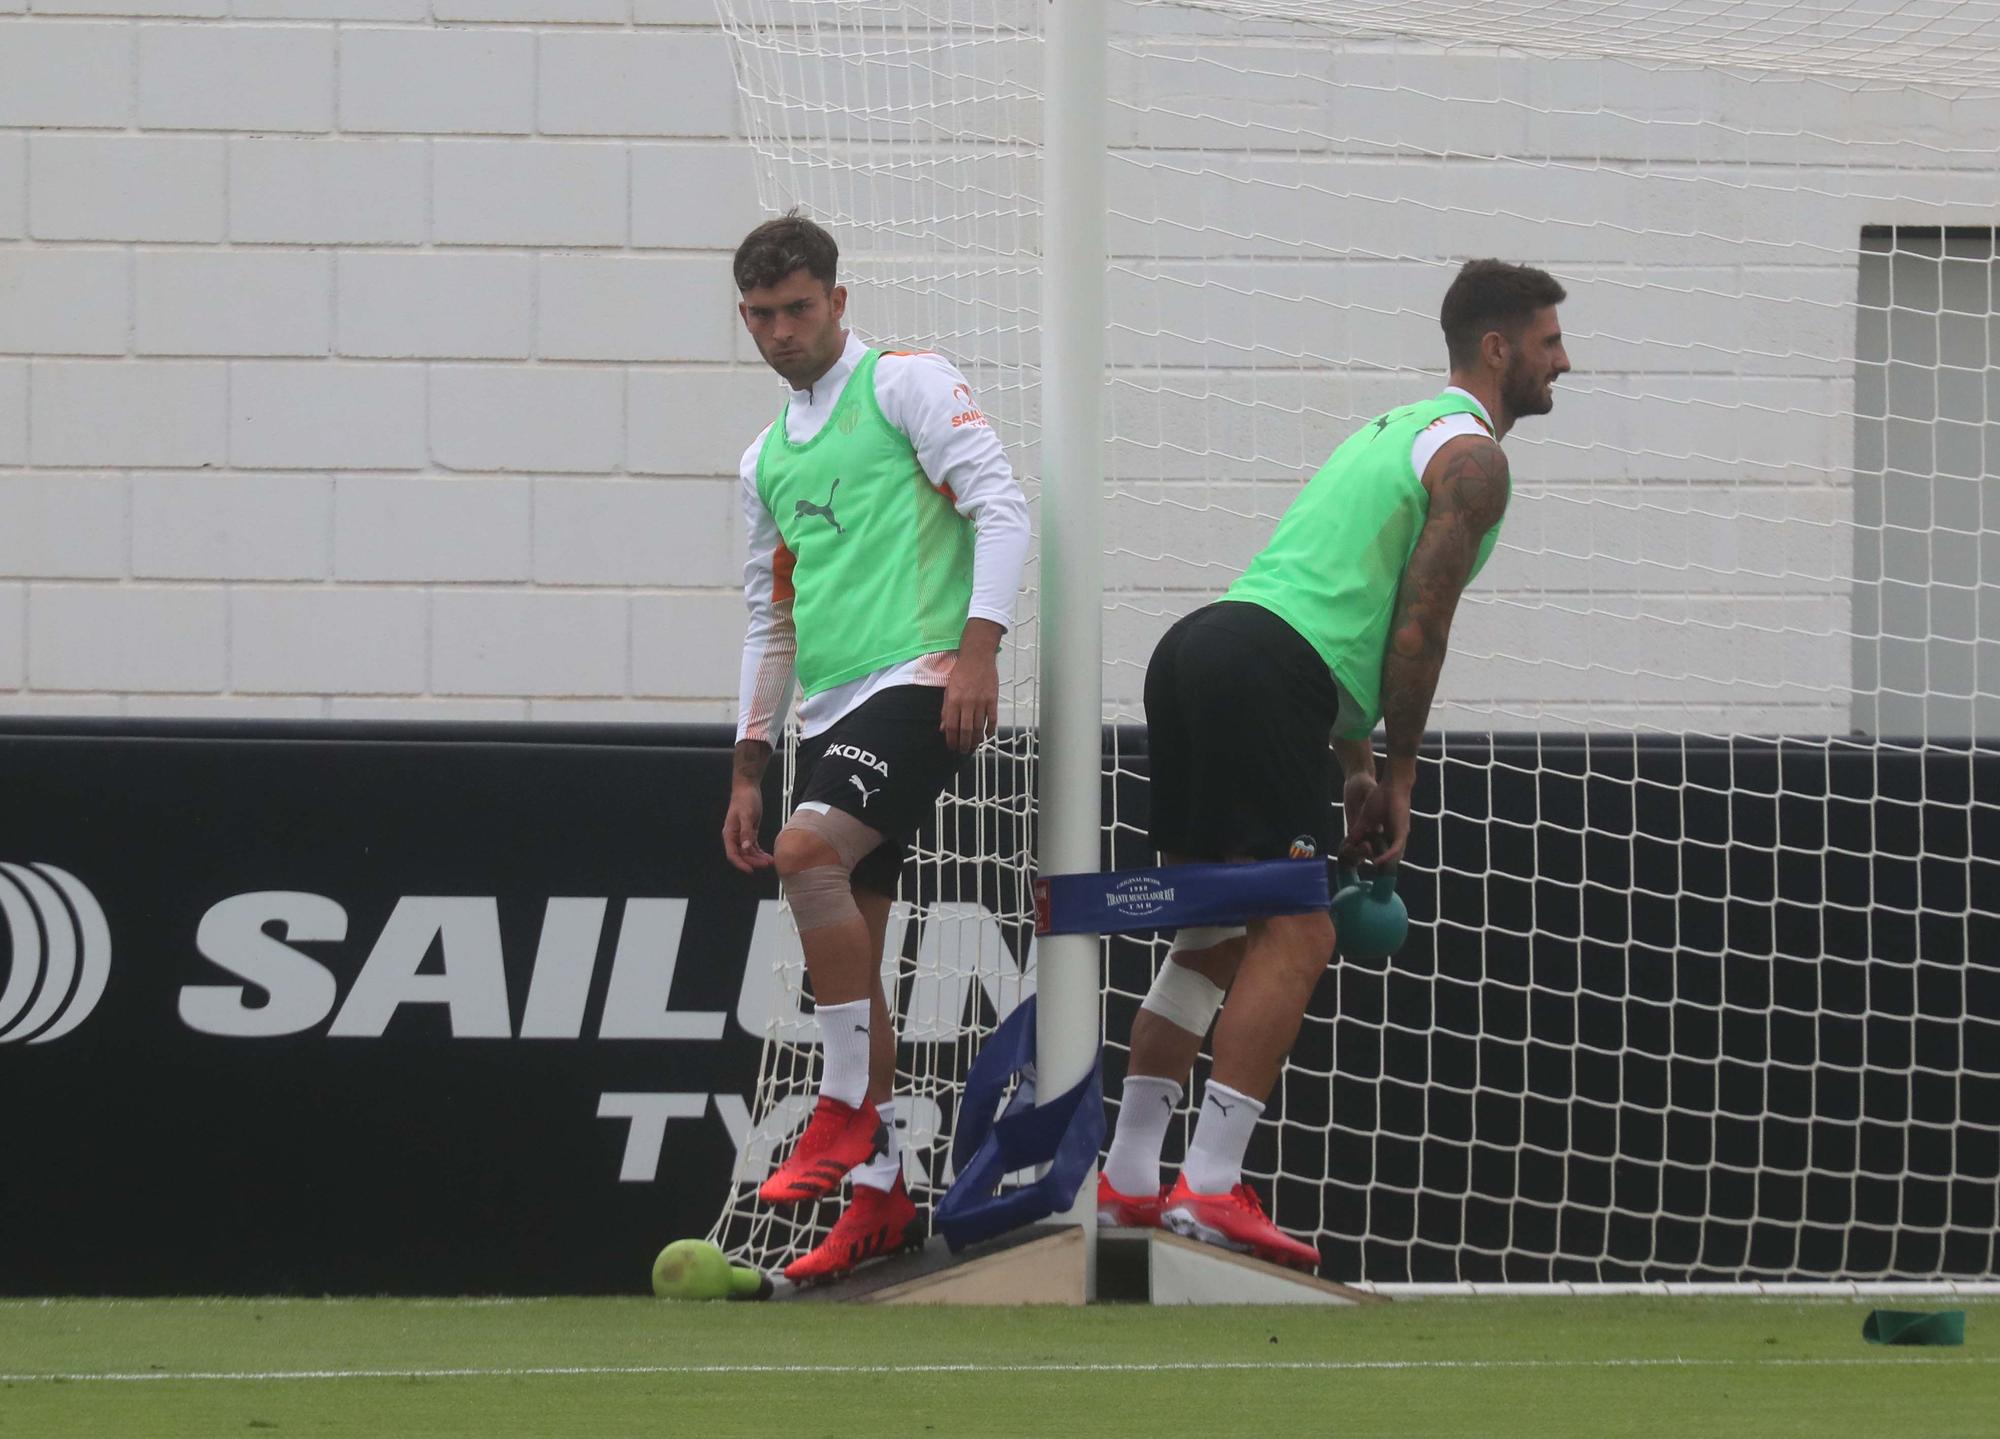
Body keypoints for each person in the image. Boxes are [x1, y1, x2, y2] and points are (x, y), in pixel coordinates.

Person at [1097, 259, 1572, 1269]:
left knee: (1214, 926)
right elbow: (1416, 627)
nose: (1560, 363)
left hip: (1199, 650)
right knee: (1299, 926)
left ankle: (1130, 1178)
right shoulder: (1476, 464)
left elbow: (1328, 601)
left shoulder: (1390, 430)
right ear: (1496, 350)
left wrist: (1349, 762)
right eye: (1546, 342)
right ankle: (1211, 1186)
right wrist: (1397, 776)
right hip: (1267, 673)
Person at [720, 213, 1030, 1284]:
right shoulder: (763, 459)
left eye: (796, 309)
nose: (779, 331)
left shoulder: (903, 382)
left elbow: (1000, 505)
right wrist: (749, 763)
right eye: (759, 315)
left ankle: (845, 1110)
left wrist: (980, 650)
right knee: (849, 939)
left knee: (808, 859)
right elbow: (771, 620)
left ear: (837, 303)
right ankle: (881, 1201)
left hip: (923, 682)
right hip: (829, 711)